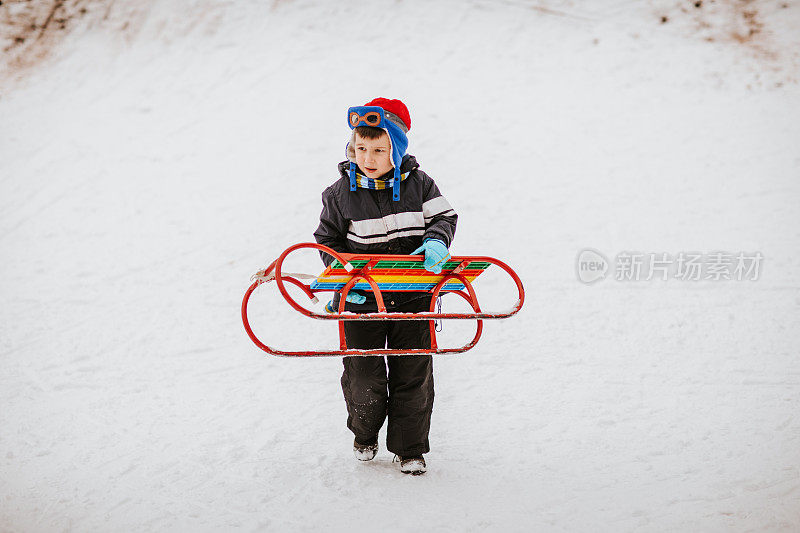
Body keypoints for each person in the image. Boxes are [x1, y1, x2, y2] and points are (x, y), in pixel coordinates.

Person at [313, 98, 457, 475]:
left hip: (413, 295)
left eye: (379, 149)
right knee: (363, 372)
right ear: (352, 148)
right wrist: (344, 276)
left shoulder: (421, 185)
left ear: (397, 148)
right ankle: (364, 433)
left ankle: (410, 448)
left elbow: (444, 216)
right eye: (361, 149)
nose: (369, 158)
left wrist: (438, 240)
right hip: (362, 300)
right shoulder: (339, 194)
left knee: (413, 372)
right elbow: (327, 240)